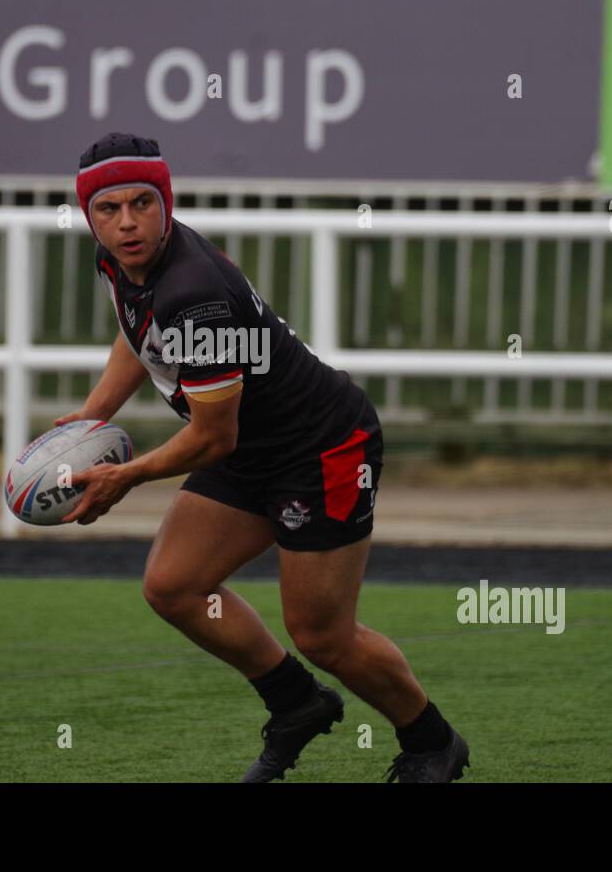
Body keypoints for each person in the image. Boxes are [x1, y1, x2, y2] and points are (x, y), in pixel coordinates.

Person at [57, 132, 471, 782]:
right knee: (174, 586)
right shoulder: (124, 262)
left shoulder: (193, 291)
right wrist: (92, 417)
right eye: (109, 210)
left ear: (166, 201)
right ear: (90, 217)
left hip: (321, 447)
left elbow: (211, 439)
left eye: (143, 203)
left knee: (323, 635)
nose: (128, 222)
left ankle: (431, 741)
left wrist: (125, 477)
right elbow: (136, 333)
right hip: (250, 445)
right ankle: (295, 703)